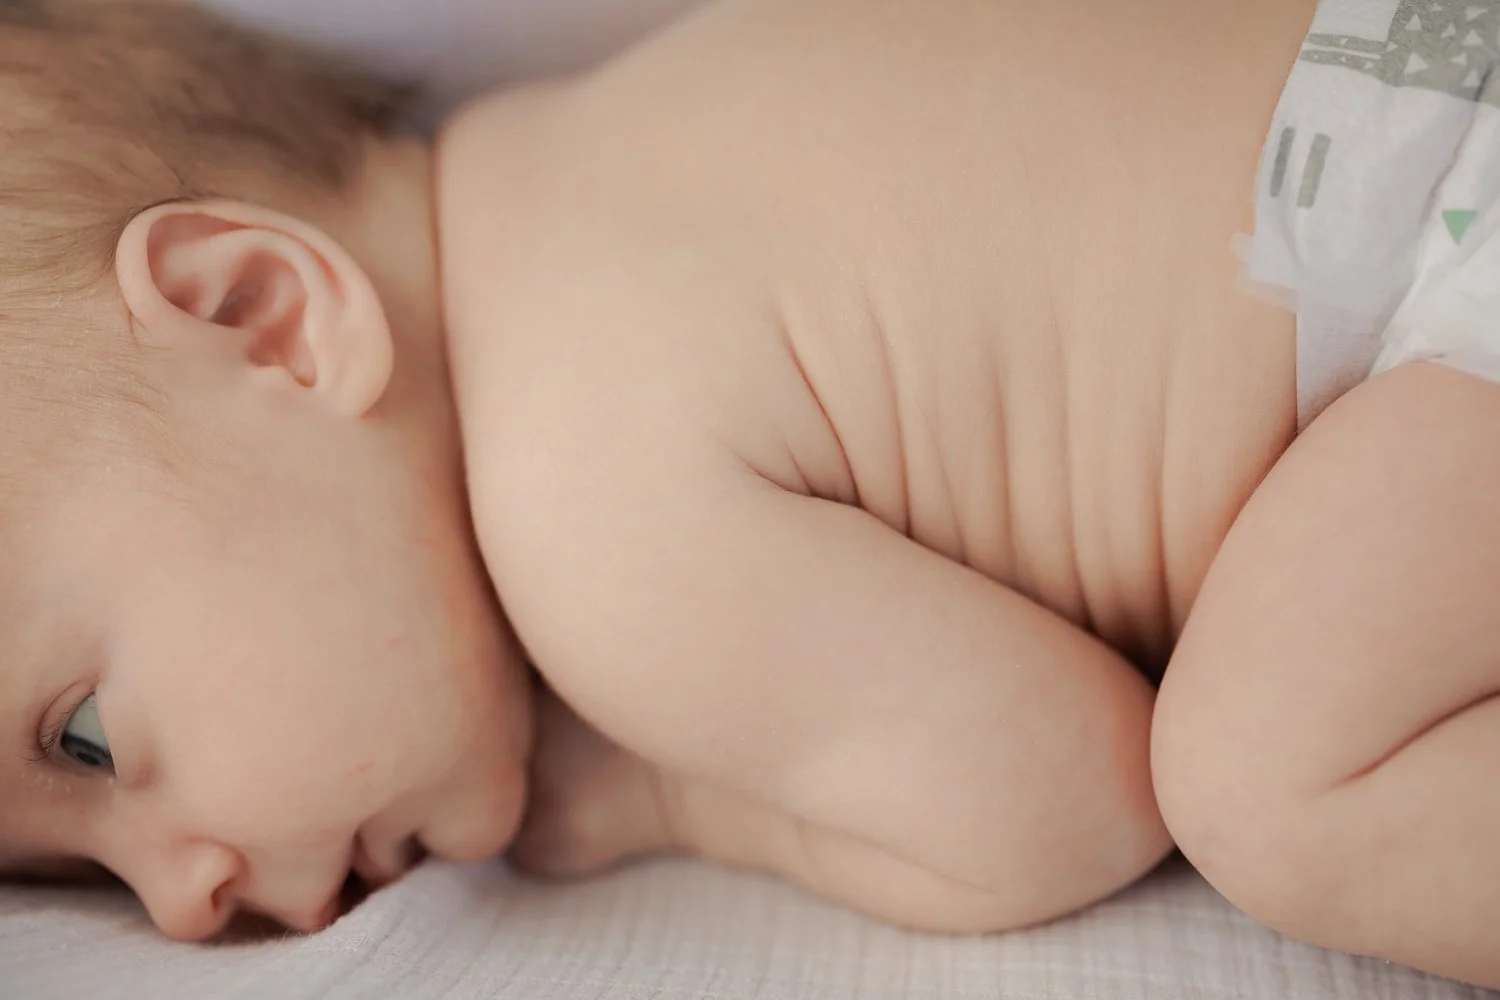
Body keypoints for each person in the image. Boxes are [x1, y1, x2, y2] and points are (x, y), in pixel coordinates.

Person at [2, 0, 1497, 990]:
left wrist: (657, 792)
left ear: (265, 321)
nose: (183, 906)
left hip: (1448, 255)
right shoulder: (600, 133)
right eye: (73, 874)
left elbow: (1059, 806)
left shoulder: (590, 518)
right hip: (1425, 93)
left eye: (85, 740)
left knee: (1273, 791)